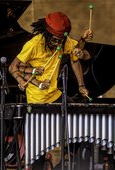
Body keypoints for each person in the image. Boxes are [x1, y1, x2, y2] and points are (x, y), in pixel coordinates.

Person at [9, 11, 93, 169]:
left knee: (82, 123)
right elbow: (14, 67)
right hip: (37, 102)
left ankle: (69, 161)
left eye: (60, 41)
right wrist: (29, 79)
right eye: (54, 40)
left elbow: (76, 57)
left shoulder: (62, 42)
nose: (57, 44)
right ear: (47, 34)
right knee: (39, 150)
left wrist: (81, 85)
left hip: (56, 96)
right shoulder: (34, 44)